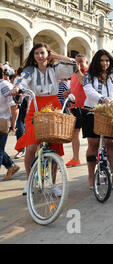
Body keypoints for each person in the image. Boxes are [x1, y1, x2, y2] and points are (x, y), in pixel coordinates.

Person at [10, 43, 78, 195]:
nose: (39, 56)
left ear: (48, 54)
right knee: (31, 146)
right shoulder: (30, 70)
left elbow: (73, 65)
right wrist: (17, 88)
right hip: (35, 105)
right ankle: (29, 182)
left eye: (42, 53)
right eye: (36, 53)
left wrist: (56, 56)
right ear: (33, 56)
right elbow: (22, 81)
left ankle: (53, 184)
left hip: (54, 105)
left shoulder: (55, 69)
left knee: (54, 146)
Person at [82, 50, 113, 191]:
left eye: (107, 60)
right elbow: (88, 90)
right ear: (96, 61)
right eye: (101, 60)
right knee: (93, 144)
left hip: (110, 111)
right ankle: (90, 176)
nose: (104, 63)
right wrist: (102, 100)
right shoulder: (89, 75)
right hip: (92, 111)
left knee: (111, 144)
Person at [65, 54, 89, 168]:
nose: (78, 64)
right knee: (75, 133)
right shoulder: (74, 74)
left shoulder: (88, 73)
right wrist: (69, 91)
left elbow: (83, 82)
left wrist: (78, 70)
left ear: (87, 63)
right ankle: (76, 158)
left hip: (86, 107)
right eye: (76, 62)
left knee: (91, 135)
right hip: (74, 107)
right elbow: (76, 86)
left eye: (81, 62)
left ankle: (96, 155)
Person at [0, 64, 20, 181]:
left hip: (2, 121)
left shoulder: (5, 86)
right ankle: (11, 166)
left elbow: (14, 106)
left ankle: (11, 166)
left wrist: (13, 124)